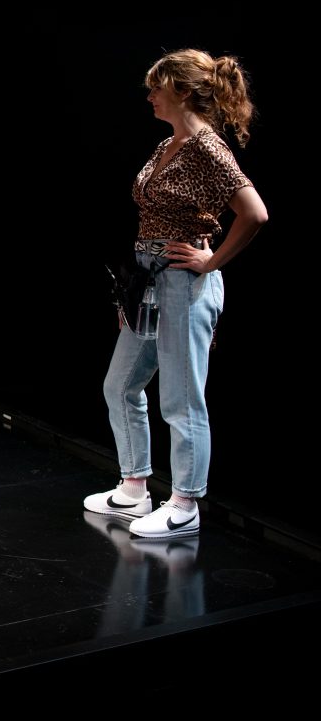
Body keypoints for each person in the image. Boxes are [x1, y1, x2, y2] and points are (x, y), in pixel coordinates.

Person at [84, 49, 269, 538]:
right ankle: (134, 488)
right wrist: (131, 292)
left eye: (157, 87)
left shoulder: (208, 148)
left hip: (184, 284)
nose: (149, 95)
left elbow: (254, 213)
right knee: (120, 386)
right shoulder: (169, 143)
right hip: (147, 282)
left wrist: (211, 261)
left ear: (183, 91)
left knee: (182, 401)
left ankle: (185, 503)